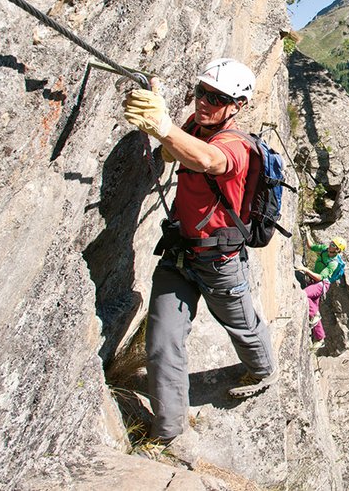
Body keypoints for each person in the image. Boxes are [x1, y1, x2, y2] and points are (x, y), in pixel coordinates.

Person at [123, 58, 278, 445]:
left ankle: (261, 370)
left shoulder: (235, 147)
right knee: (162, 342)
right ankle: (168, 430)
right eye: (201, 92)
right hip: (180, 253)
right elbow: (181, 147)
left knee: (242, 325)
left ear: (237, 105)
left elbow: (208, 160)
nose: (205, 102)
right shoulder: (195, 127)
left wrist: (161, 127)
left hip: (219, 262)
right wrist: (159, 109)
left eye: (218, 97)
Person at [296, 235, 346, 351]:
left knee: (304, 295)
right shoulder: (324, 249)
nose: (330, 245)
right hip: (314, 282)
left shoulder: (333, 263)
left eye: (333, 245)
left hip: (321, 284)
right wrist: (306, 234)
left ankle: (315, 316)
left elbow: (320, 277)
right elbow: (312, 246)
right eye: (331, 242)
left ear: (338, 250)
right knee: (313, 310)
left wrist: (306, 270)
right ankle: (320, 338)